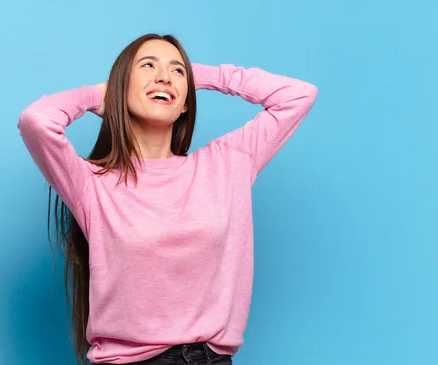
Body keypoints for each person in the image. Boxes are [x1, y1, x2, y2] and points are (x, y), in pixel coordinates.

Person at [18, 33, 318, 365]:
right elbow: (36, 120)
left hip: (213, 359)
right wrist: (99, 94)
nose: (164, 76)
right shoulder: (92, 183)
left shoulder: (228, 163)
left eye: (177, 71)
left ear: (187, 99)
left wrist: (199, 76)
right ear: (121, 87)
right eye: (148, 66)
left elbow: (299, 95)